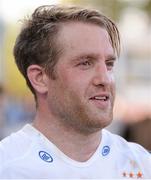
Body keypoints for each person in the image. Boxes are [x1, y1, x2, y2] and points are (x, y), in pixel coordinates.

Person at [0, 5, 150, 179]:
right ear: (40, 78)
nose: (105, 79)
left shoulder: (142, 165)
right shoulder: (8, 167)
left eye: (109, 64)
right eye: (85, 63)